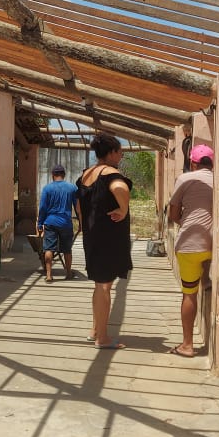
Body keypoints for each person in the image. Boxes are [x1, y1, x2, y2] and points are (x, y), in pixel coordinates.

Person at [76, 133, 133, 349]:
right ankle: (103, 338)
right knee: (104, 287)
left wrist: (83, 223)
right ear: (110, 153)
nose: (121, 155)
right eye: (119, 151)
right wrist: (124, 208)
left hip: (92, 235)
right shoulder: (111, 174)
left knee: (100, 285)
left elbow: (80, 205)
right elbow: (120, 188)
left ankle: (95, 329)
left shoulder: (85, 174)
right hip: (108, 236)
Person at [166, 143, 215, 358]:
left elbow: (173, 213)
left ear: (193, 163)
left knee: (189, 293)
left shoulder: (186, 179)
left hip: (189, 246)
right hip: (214, 244)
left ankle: (187, 345)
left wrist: (184, 220)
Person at [36, 163, 80, 282]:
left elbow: (43, 208)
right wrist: (81, 222)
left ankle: (49, 275)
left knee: (48, 249)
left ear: (53, 175)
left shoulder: (47, 188)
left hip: (50, 223)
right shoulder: (72, 188)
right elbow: (77, 207)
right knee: (67, 249)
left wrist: (40, 224)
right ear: (64, 175)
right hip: (66, 223)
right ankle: (69, 273)